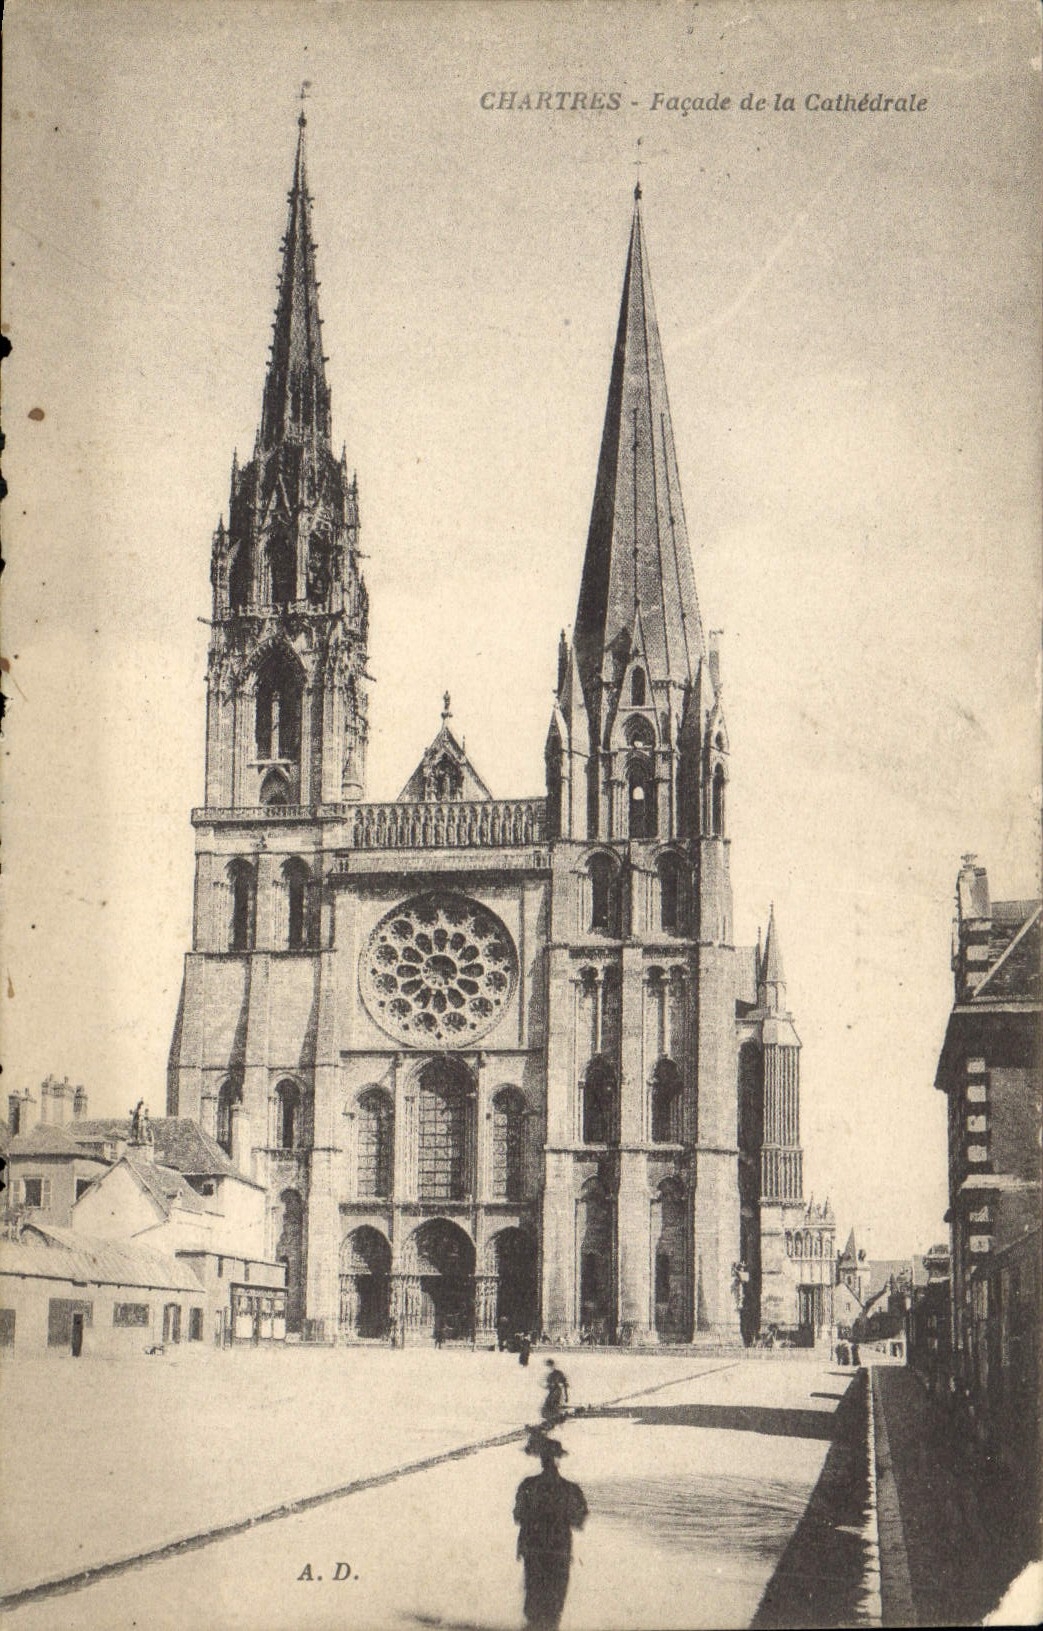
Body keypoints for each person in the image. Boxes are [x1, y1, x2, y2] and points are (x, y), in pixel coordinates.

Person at [514, 1434, 587, 1630]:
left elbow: (518, 1517)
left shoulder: (528, 1486)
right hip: (559, 1551)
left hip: (534, 1550)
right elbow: (579, 1521)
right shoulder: (571, 1490)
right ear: (558, 1460)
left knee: (534, 1605)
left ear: (541, 1459)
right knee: (554, 1608)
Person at [541, 1359, 569, 1424]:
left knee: (553, 1404)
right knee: (547, 1406)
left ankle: (554, 1420)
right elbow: (548, 1385)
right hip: (552, 1392)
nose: (549, 1367)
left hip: (557, 1392)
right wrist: (546, 1386)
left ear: (552, 1365)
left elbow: (564, 1384)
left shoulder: (559, 1373)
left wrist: (566, 1396)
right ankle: (550, 1420)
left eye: (549, 1366)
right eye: (547, 1366)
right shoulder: (549, 1375)